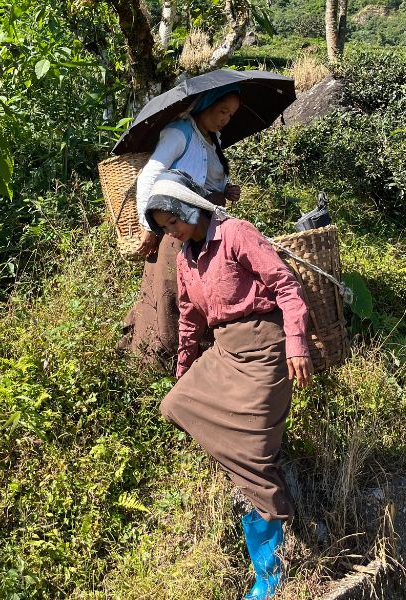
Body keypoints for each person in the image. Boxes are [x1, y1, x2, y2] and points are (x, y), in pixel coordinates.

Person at [144, 170, 313, 600]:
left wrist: (297, 343)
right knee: (175, 403)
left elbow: (287, 288)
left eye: (173, 222)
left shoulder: (236, 233)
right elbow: (188, 319)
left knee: (256, 456)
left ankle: (271, 574)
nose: (172, 231)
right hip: (224, 351)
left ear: (189, 206)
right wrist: (185, 371)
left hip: (266, 347)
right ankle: (247, 473)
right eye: (164, 228)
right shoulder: (185, 258)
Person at [119, 84, 242, 368]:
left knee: (200, 288)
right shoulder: (180, 132)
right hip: (176, 225)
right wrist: (149, 226)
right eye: (222, 110)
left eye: (231, 115)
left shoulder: (213, 139)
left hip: (202, 225)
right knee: (170, 290)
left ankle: (197, 355)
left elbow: (206, 181)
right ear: (206, 103)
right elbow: (150, 176)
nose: (225, 118)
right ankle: (158, 358)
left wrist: (226, 190)